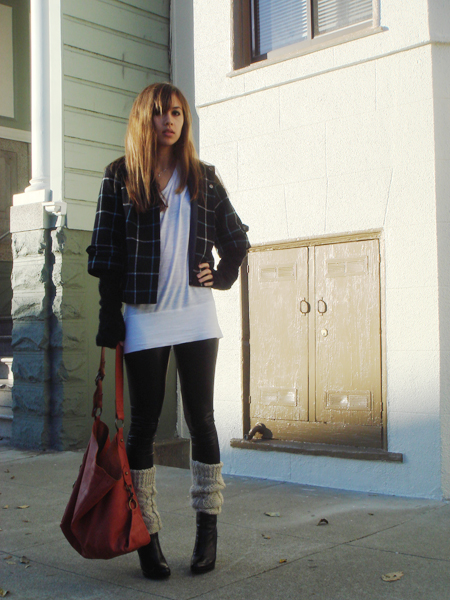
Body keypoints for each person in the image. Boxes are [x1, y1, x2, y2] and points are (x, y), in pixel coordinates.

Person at [86, 82, 249, 579]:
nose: (169, 121)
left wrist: (220, 274)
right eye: (160, 113)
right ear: (146, 118)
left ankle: (207, 533)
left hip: (196, 315)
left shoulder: (203, 177)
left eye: (177, 113)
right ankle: (147, 535)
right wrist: (109, 316)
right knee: (143, 426)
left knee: (202, 420)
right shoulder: (120, 176)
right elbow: (105, 252)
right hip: (144, 315)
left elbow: (236, 239)